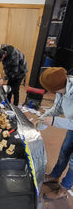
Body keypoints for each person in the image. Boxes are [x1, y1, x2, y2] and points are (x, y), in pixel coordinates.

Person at [37, 66, 73, 200]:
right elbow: (56, 109)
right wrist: (42, 119)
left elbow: (57, 119)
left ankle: (64, 189)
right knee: (64, 151)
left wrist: (54, 121)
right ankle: (55, 176)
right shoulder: (61, 90)